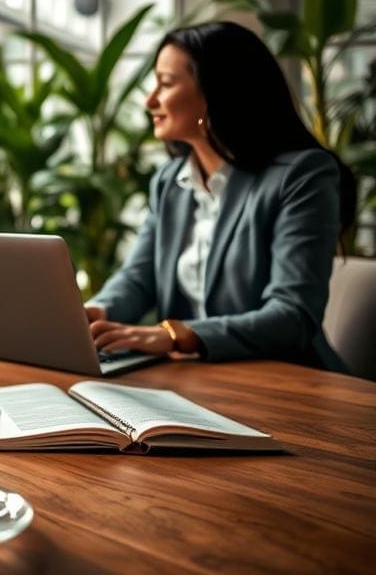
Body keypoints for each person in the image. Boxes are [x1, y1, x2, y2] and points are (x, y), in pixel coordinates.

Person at [85, 21, 355, 369]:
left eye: (166, 83)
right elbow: (139, 279)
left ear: (214, 92)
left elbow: (292, 314)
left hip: (288, 379)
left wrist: (175, 335)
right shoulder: (169, 181)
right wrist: (96, 311)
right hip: (193, 377)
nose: (150, 100)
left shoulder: (302, 175)